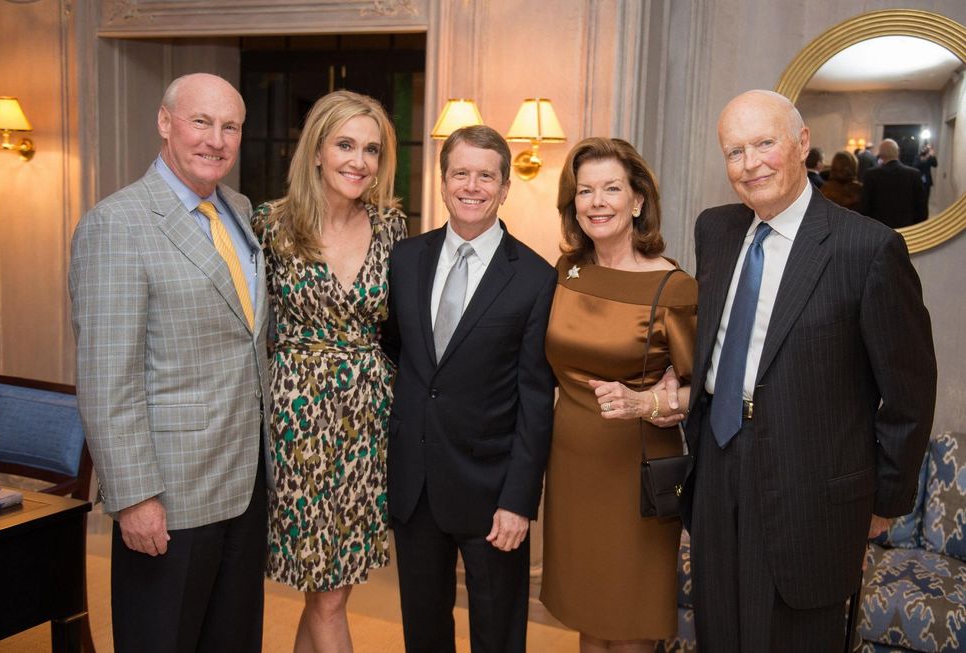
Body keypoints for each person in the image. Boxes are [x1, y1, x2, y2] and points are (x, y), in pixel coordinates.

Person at [682, 90, 936, 652]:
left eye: (764, 144)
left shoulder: (867, 249)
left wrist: (885, 500)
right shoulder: (716, 231)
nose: (750, 164)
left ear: (801, 144)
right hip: (717, 467)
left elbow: (909, 392)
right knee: (718, 630)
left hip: (812, 490)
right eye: (734, 151)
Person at [70, 73, 271, 652]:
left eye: (229, 126)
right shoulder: (117, 225)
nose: (216, 140)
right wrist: (134, 497)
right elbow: (109, 380)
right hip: (170, 492)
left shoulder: (238, 207)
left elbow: (245, 337)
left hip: (244, 479)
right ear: (164, 122)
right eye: (200, 122)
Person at [382, 125, 556, 653]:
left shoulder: (534, 277)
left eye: (487, 175)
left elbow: (535, 400)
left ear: (505, 188)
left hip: (492, 493)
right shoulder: (405, 259)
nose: (472, 186)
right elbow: (397, 353)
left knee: (498, 634)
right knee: (424, 631)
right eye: (461, 173)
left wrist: (519, 502)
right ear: (442, 181)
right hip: (417, 486)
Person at [250, 90, 405, 652]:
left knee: (332, 589)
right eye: (345, 144)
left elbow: (404, 331)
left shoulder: (392, 227)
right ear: (316, 149)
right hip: (297, 418)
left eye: (371, 149)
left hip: (367, 423)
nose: (359, 161)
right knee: (327, 592)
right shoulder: (269, 225)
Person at [539, 137, 696, 652]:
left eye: (611, 188)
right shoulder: (569, 272)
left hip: (637, 471)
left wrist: (655, 401)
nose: (597, 202)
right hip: (572, 464)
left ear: (637, 201)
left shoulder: (672, 287)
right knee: (589, 616)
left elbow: (704, 388)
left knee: (628, 624)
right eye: (585, 191)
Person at [859, 138, 928, 228]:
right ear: (897, 152)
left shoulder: (871, 174)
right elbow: (922, 207)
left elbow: (865, 206)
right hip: (907, 227)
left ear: (880, 155)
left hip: (879, 228)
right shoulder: (914, 174)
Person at [916, 143, 938, 211]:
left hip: (927, 182)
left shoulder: (930, 158)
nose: (927, 149)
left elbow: (935, 164)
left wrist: (933, 155)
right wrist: (927, 156)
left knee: (926, 199)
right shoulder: (918, 157)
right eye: (926, 148)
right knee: (918, 198)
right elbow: (916, 165)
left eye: (929, 148)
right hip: (918, 181)